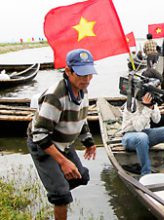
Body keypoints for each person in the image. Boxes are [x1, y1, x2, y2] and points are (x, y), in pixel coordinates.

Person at [26, 48, 97, 220]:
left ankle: (55, 186)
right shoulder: (55, 96)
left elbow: (82, 118)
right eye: (81, 75)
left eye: (89, 74)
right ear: (68, 71)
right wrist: (63, 162)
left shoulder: (83, 90)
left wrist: (89, 142)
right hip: (43, 144)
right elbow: (40, 135)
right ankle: (58, 192)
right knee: (61, 195)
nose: (86, 80)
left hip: (63, 143)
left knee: (82, 177)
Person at [121, 83, 164, 176]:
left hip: (146, 134)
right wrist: (146, 108)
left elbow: (157, 120)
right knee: (142, 137)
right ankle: (146, 173)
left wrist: (152, 106)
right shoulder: (131, 103)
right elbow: (138, 127)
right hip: (129, 136)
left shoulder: (152, 100)